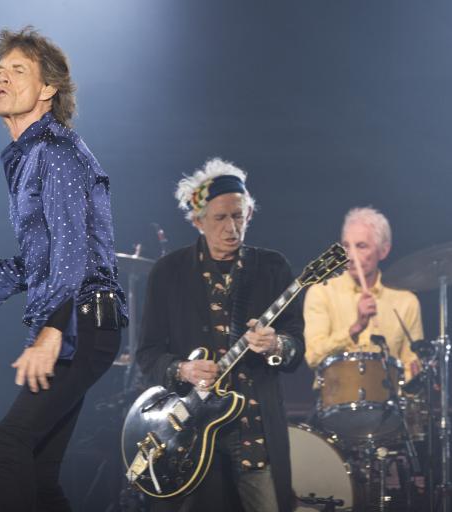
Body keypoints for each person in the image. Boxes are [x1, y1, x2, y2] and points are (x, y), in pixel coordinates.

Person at [0, 27, 126, 512]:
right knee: (39, 473)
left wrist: (52, 331)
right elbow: (46, 257)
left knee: (9, 442)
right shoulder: (29, 157)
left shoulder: (56, 153)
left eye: (18, 70)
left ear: (47, 89)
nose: (2, 77)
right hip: (80, 320)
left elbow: (73, 253)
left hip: (82, 321)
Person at [136, 158, 305, 512]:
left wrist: (276, 345)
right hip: (194, 436)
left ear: (250, 215)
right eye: (220, 218)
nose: (232, 227)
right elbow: (148, 355)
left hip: (255, 430)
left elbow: (295, 348)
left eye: (239, 216)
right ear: (198, 221)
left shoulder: (273, 267)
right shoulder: (169, 273)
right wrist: (183, 370)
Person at [304, 207, 423, 380]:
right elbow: (312, 357)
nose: (350, 256)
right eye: (346, 246)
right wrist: (355, 329)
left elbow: (411, 366)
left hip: (388, 403)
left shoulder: (406, 301)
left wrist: (416, 377)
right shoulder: (321, 293)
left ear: (383, 251)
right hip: (334, 399)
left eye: (361, 246)